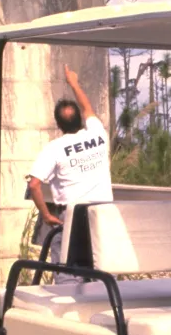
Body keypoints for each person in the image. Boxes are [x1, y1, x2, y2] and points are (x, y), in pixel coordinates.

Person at [27, 65, 113, 282]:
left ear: (58, 124)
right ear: (80, 120)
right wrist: (73, 82)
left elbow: (34, 184)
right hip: (103, 214)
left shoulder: (54, 148)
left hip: (73, 218)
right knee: (101, 270)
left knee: (67, 270)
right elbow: (88, 108)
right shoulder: (97, 133)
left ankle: (66, 311)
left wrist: (46, 215)